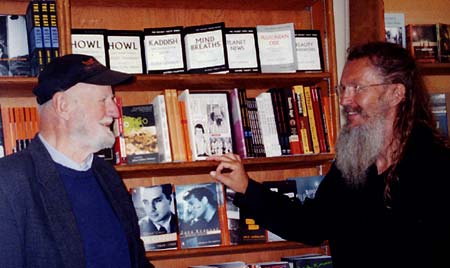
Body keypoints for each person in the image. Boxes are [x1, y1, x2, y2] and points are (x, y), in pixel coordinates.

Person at [208, 42, 450, 268]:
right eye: (343, 88)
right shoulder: (353, 162)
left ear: (396, 93)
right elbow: (310, 225)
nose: (345, 100)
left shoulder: (437, 167)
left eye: (357, 88)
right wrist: (247, 187)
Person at [0, 54, 153, 268]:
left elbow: (137, 262)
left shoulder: (107, 174)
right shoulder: (8, 183)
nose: (116, 112)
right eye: (104, 100)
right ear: (63, 105)